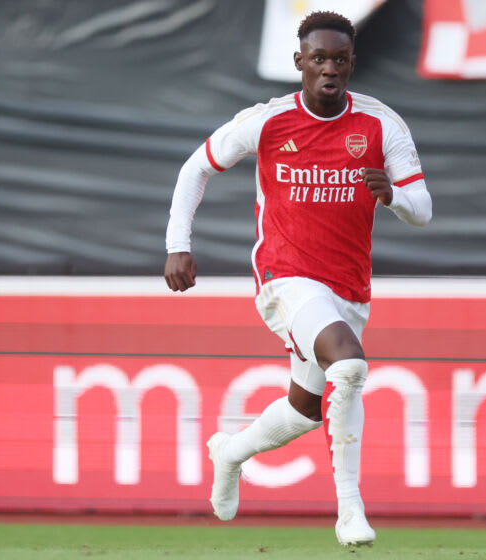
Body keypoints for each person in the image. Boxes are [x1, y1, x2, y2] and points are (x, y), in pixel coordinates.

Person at [163, 11, 432, 546]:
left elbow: (422, 209)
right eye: (318, 59)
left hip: (348, 287)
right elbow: (197, 166)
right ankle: (350, 510)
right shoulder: (269, 121)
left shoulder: (382, 125)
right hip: (285, 277)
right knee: (350, 364)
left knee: (306, 410)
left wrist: (393, 196)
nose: (329, 69)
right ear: (299, 63)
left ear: (352, 64)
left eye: (339, 59)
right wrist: (178, 245)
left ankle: (231, 452)